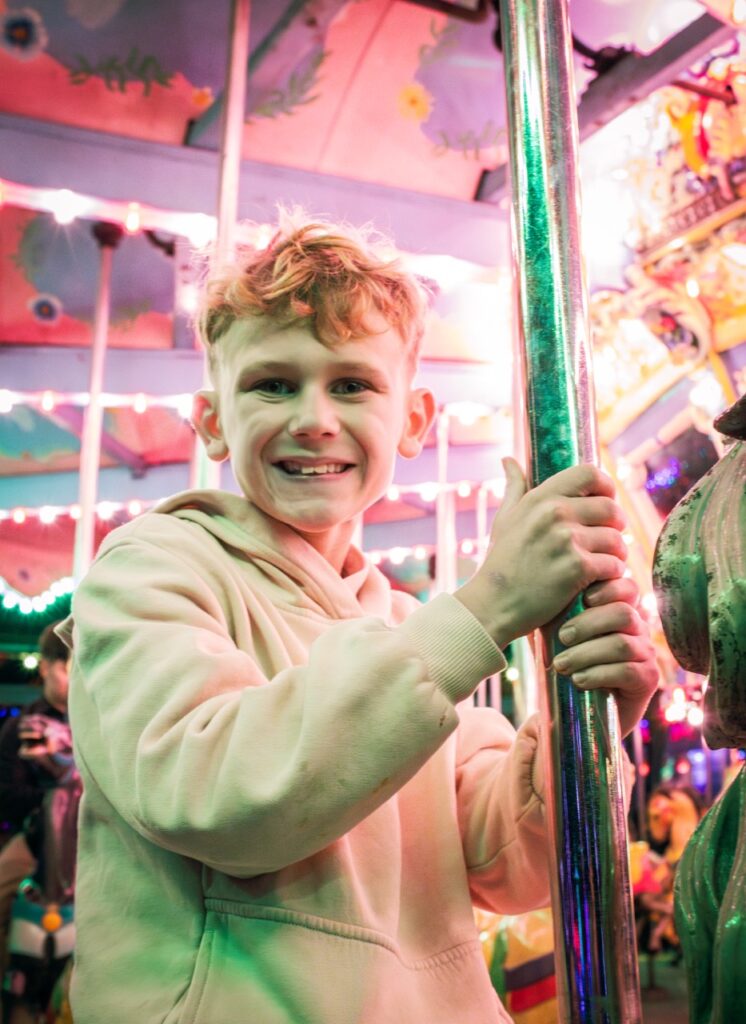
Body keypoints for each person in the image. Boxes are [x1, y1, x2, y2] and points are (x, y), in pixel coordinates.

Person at [58, 214, 659, 1024]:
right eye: (272, 383)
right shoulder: (152, 569)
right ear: (210, 420)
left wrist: (585, 732)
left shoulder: (405, 624)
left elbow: (507, 862)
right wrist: (483, 609)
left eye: (352, 384)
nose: (314, 417)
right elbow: (209, 793)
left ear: (413, 420)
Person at [0, 623, 73, 979]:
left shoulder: (96, 723)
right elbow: (6, 794)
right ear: (45, 667)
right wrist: (55, 799)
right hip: (36, 838)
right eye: (65, 666)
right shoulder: (22, 725)